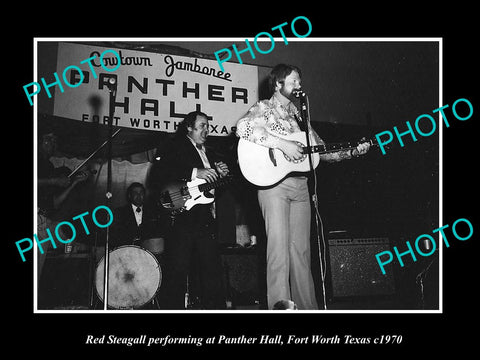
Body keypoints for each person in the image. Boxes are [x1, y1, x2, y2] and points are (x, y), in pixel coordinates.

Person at [236, 64, 371, 310]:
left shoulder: (299, 117)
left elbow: (323, 151)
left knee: (301, 253)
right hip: (273, 186)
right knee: (278, 251)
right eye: (293, 81)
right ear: (278, 85)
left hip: (300, 188)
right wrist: (283, 144)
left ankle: (309, 308)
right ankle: (280, 307)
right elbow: (243, 128)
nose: (299, 86)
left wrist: (352, 151)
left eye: (300, 82)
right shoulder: (264, 108)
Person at [152, 110, 230, 310]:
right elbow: (160, 172)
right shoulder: (173, 145)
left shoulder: (211, 153)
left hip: (204, 217)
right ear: (189, 126)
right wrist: (196, 171)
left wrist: (221, 176)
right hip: (183, 218)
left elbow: (212, 192)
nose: (207, 129)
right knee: (177, 271)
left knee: (212, 271)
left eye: (208, 126)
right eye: (202, 125)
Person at [37, 131, 89, 285]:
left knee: (37, 268)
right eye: (48, 140)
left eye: (54, 142)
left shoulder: (49, 166)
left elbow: (54, 203)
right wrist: (53, 181)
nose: (51, 144)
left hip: (43, 220)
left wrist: (74, 184)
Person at [109, 182, 166, 254]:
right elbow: (116, 235)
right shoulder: (120, 212)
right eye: (135, 193)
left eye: (141, 193)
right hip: (127, 253)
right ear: (129, 196)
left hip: (148, 254)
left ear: (144, 195)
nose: (139, 195)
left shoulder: (153, 212)